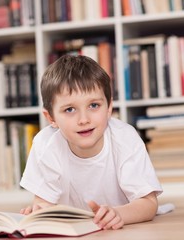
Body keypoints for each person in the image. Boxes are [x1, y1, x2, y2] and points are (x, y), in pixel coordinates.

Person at [19, 54, 162, 230]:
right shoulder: (45, 144)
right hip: (77, 229)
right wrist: (38, 212)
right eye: (70, 109)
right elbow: (44, 202)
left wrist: (119, 214)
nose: (84, 119)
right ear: (51, 117)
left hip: (122, 227)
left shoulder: (125, 139)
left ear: (109, 107)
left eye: (93, 105)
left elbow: (148, 203)